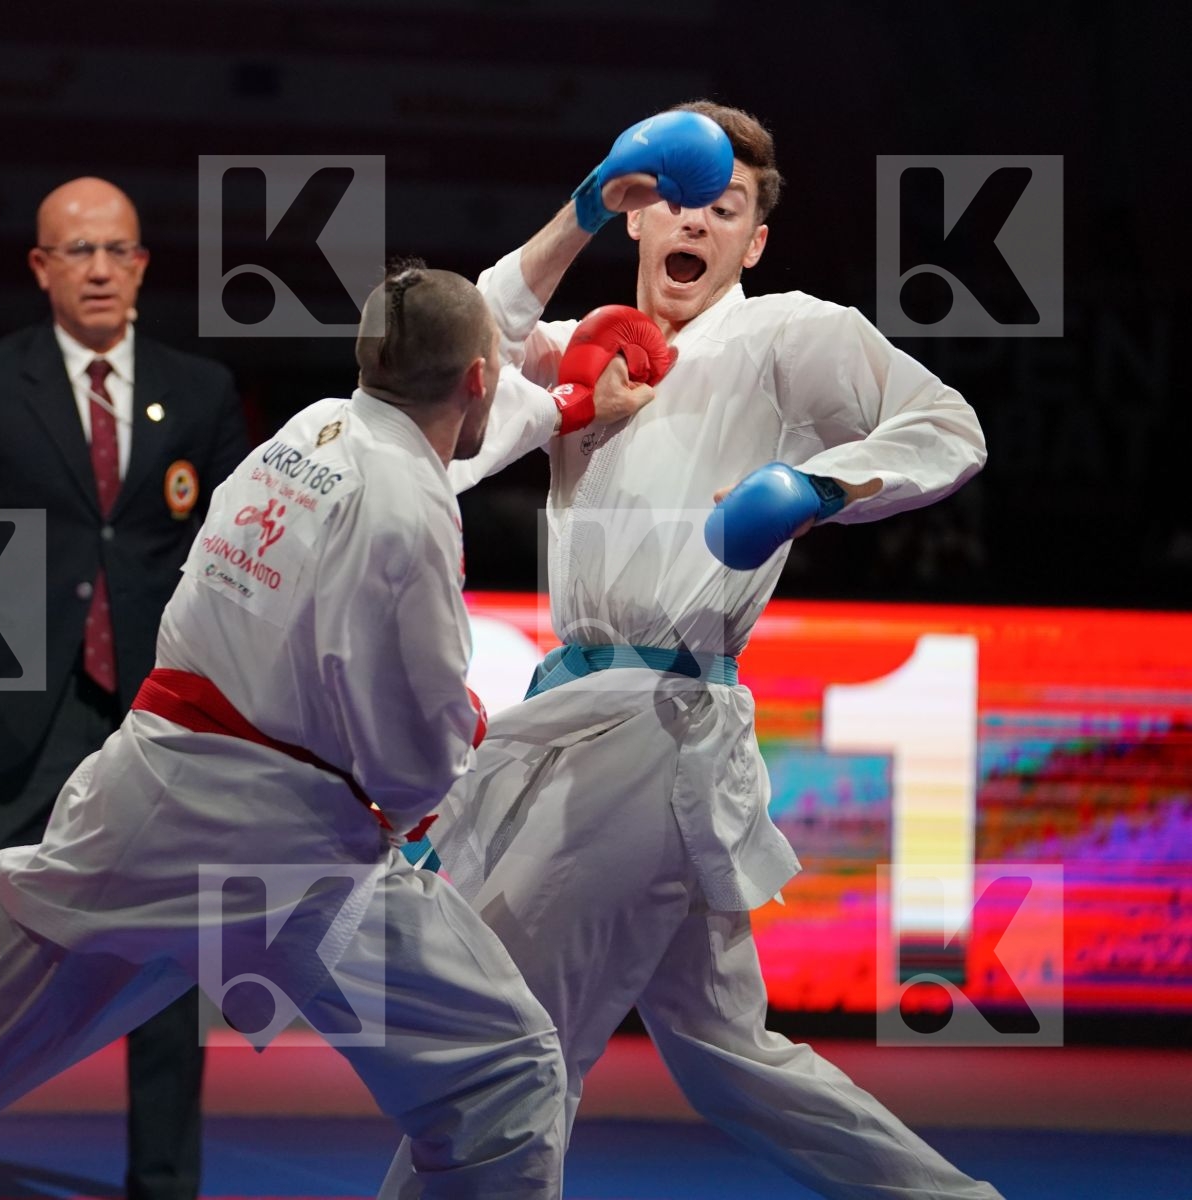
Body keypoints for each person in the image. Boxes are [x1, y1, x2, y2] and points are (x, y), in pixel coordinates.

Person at [0, 264, 571, 1200]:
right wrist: (458, 741)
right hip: (286, 853)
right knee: (502, 1074)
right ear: (479, 377)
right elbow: (410, 760)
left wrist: (559, 405)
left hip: (141, 812)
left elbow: (442, 431)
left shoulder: (310, 429)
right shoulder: (412, 510)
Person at [378, 103, 1002, 1199]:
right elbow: (447, 349)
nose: (696, 223)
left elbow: (949, 427)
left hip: (658, 725)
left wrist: (818, 490)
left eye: (726, 209)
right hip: (589, 721)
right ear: (636, 211)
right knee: (730, 1060)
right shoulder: (593, 347)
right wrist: (577, 208)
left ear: (752, 242)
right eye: (672, 196)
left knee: (508, 1030)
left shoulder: (785, 333)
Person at [0, 177, 248, 1200]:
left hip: (158, 716)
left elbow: (251, 543)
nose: (97, 269)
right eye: (75, 251)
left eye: (115, 250)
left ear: (143, 265)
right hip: (6, 699)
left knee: (170, 959)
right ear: (40, 267)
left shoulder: (201, 391)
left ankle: (164, 1185)